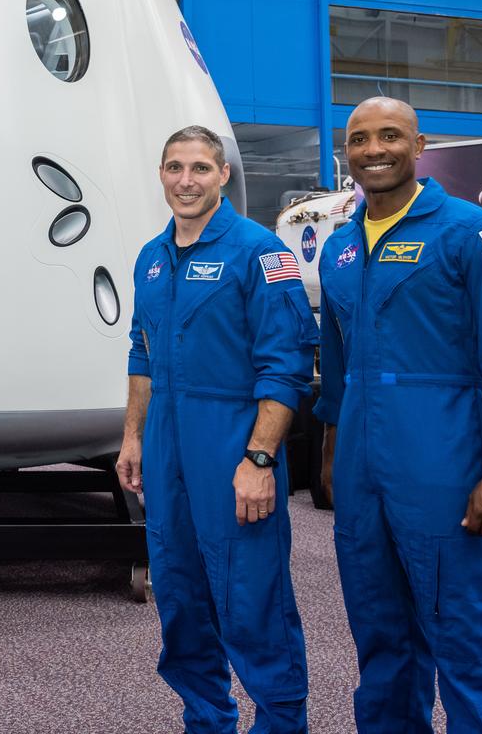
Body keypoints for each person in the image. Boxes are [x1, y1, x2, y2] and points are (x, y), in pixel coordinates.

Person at [315, 97, 482, 734]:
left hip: (442, 457)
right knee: (380, 633)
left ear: (419, 147)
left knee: (464, 631)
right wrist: (334, 449)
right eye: (360, 139)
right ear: (348, 154)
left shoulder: (473, 233)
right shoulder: (337, 249)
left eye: (390, 135)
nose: (374, 150)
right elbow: (338, 365)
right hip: (362, 465)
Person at [118, 125, 317, 734]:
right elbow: (142, 352)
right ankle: (206, 721)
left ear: (223, 174)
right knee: (179, 598)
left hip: (232, 445)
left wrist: (259, 461)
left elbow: (287, 367)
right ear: (160, 174)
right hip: (166, 449)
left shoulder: (260, 253)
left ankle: (282, 724)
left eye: (200, 168)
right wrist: (132, 438)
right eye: (174, 167)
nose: (185, 180)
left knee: (251, 601)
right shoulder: (151, 258)